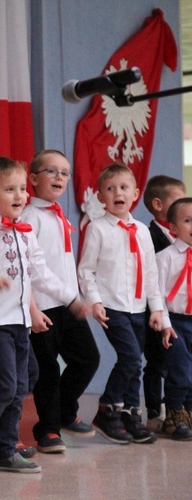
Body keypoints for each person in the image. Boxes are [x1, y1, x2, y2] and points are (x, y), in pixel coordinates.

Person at [0, 156, 87, 477]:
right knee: (4, 384)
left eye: (21, 189)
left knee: (25, 379)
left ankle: (4, 447)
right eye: (10, 189)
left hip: (19, 321)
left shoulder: (25, 233)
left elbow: (42, 273)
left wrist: (71, 299)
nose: (20, 196)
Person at [77, 163, 164, 445]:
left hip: (138, 307)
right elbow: (86, 269)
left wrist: (157, 309)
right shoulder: (97, 229)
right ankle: (107, 408)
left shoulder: (141, 231)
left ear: (135, 193)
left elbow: (150, 273)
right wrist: (95, 301)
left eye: (124, 187)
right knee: (129, 357)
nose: (118, 193)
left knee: (135, 363)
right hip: (112, 305)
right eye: (110, 188)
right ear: (101, 196)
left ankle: (130, 415)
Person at [20, 150, 100, 453]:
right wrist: (35, 309)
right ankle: (48, 429)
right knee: (48, 370)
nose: (59, 177)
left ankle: (65, 412)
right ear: (33, 179)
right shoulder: (29, 217)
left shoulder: (58, 215)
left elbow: (62, 263)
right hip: (43, 306)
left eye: (64, 173)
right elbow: (33, 271)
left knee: (88, 358)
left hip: (66, 302)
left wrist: (76, 297)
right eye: (51, 171)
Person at [142, 175, 186, 432]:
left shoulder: (184, 236)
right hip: (156, 312)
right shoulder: (149, 236)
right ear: (158, 205)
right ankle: (152, 411)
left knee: (180, 364)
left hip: (181, 313)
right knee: (157, 362)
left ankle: (177, 412)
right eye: (179, 200)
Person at [155, 197, 192, 440]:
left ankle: (188, 411)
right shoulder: (166, 257)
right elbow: (157, 293)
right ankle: (173, 414)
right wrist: (165, 324)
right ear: (174, 228)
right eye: (188, 220)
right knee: (181, 371)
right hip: (175, 322)